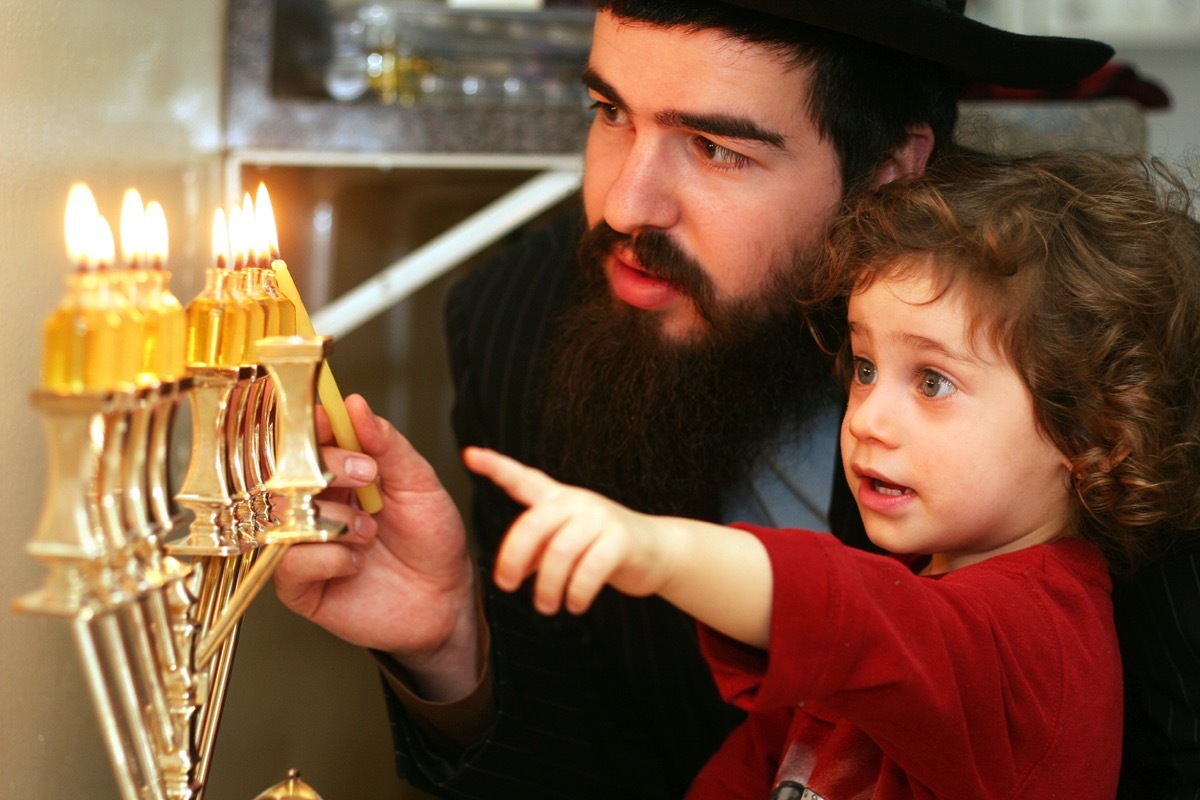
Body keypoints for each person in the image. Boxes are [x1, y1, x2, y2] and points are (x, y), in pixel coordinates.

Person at [271, 2, 1114, 797]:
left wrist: (660, 552)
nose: (623, 204)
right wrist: (452, 640)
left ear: (888, 173)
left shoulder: (1069, 369)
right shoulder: (521, 323)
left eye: (716, 148)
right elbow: (597, 770)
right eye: (609, 112)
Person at [464, 151, 1200, 799]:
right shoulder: (901, 605)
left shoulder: (1035, 644)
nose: (869, 418)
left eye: (933, 382)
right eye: (867, 368)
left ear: (1088, 433)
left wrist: (659, 550)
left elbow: (854, 616)